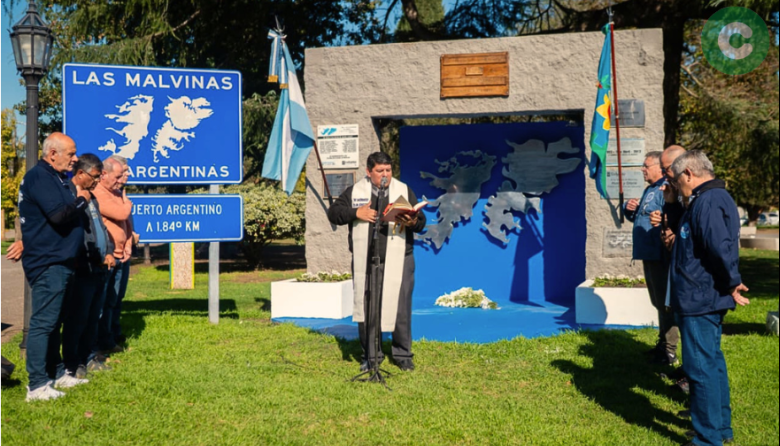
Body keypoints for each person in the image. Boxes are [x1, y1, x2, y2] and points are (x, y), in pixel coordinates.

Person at [668, 150, 749, 446]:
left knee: (700, 367)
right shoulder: (706, 199)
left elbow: (719, 247)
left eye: (676, 180)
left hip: (700, 298)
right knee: (710, 362)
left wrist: (732, 282)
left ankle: (708, 438)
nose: (676, 186)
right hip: (701, 295)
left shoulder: (710, 201)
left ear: (689, 173)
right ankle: (719, 428)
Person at [327, 152, 426, 371]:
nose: (385, 175)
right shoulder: (355, 192)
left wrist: (412, 221)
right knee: (368, 307)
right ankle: (371, 355)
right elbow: (333, 213)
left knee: (401, 307)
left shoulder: (403, 190)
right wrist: (356, 212)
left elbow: (421, 222)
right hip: (368, 259)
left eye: (388, 170)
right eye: (380, 171)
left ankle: (403, 355)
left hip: (401, 258)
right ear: (368, 172)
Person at [18, 132, 90, 402]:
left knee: (55, 321)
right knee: (43, 323)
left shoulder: (55, 177)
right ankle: (37, 385)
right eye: (71, 154)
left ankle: (56, 373)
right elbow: (59, 215)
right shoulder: (39, 177)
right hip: (48, 261)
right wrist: (82, 199)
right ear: (52, 154)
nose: (75, 159)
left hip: (62, 260)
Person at [61, 154, 116, 379]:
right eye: (94, 176)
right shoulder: (70, 196)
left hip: (99, 270)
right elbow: (77, 235)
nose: (97, 181)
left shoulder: (91, 198)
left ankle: (88, 356)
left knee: (93, 318)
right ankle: (73, 363)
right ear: (81, 173)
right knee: (78, 319)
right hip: (83, 270)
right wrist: (93, 258)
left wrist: (109, 251)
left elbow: (100, 229)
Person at [624, 151, 678, 365]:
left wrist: (662, 218)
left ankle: (670, 350)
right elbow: (643, 217)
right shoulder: (650, 189)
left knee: (665, 303)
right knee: (657, 302)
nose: (642, 169)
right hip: (649, 254)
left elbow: (672, 216)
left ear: (659, 168)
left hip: (660, 254)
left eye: (646, 166)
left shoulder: (666, 188)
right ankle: (662, 345)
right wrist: (630, 209)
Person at [92, 157, 133, 355]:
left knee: (114, 300)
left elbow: (127, 223)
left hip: (121, 255)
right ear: (104, 174)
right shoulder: (98, 193)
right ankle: (99, 343)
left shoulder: (116, 193)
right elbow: (122, 213)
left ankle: (111, 337)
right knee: (103, 303)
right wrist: (126, 202)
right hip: (107, 257)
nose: (120, 180)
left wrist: (128, 244)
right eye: (117, 176)